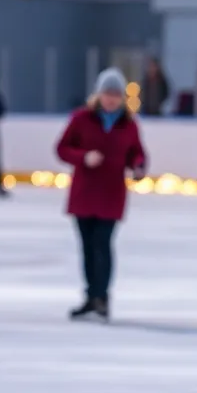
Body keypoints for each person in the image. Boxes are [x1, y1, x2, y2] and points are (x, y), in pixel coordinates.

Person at [55, 68, 148, 322]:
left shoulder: (128, 124)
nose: (111, 99)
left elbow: (137, 153)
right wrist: (83, 157)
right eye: (108, 93)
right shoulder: (81, 118)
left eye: (116, 94)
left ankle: (102, 297)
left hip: (111, 194)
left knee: (103, 245)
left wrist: (139, 166)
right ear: (99, 94)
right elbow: (62, 148)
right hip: (84, 193)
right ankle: (90, 296)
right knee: (87, 247)